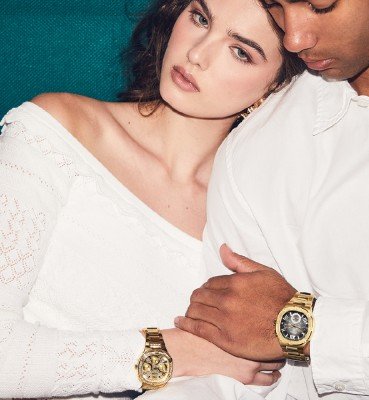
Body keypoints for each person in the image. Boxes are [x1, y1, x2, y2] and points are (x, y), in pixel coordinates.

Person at [0, 0, 304, 399]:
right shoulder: (56, 129)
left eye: (240, 51)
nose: (197, 53)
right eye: (200, 18)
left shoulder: (249, 225)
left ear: (276, 87)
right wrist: (175, 352)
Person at [176, 0, 369, 399]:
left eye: (320, 5)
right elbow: (253, 376)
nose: (294, 38)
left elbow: (277, 330)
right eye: (275, 6)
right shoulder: (253, 154)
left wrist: (306, 328)